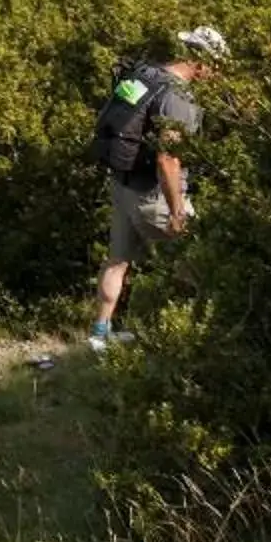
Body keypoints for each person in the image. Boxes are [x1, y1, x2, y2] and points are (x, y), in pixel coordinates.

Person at [90, 25, 224, 351]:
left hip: (123, 185)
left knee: (117, 261)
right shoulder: (178, 99)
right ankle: (194, 341)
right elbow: (168, 160)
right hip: (153, 194)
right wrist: (177, 209)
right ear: (200, 62)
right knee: (203, 262)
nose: (217, 75)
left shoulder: (145, 74)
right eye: (216, 66)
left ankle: (99, 334)